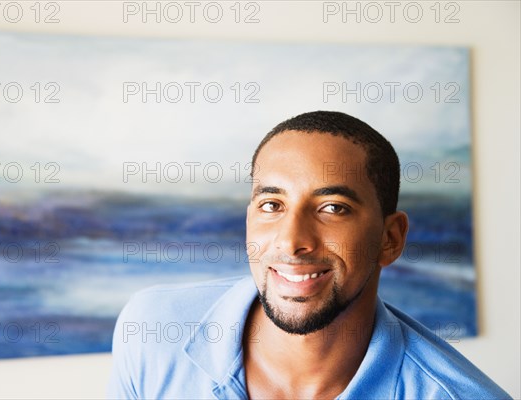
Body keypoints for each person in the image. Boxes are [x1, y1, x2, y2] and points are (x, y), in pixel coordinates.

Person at [107, 111, 511, 399]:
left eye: (333, 207)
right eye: (272, 205)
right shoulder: (152, 329)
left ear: (390, 238)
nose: (291, 241)